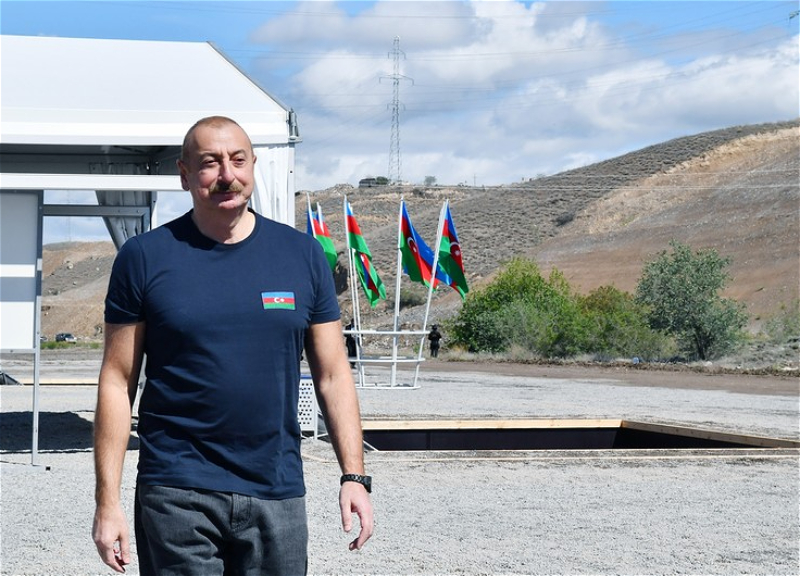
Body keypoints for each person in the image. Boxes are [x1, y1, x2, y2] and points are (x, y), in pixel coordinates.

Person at [92, 116, 373, 575]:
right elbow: (117, 380)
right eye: (210, 163)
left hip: (277, 490)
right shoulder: (144, 258)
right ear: (184, 174)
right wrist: (107, 502)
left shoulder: (302, 256)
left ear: (253, 165)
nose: (227, 175)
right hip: (176, 490)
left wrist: (354, 475)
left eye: (238, 160)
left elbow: (333, 374)